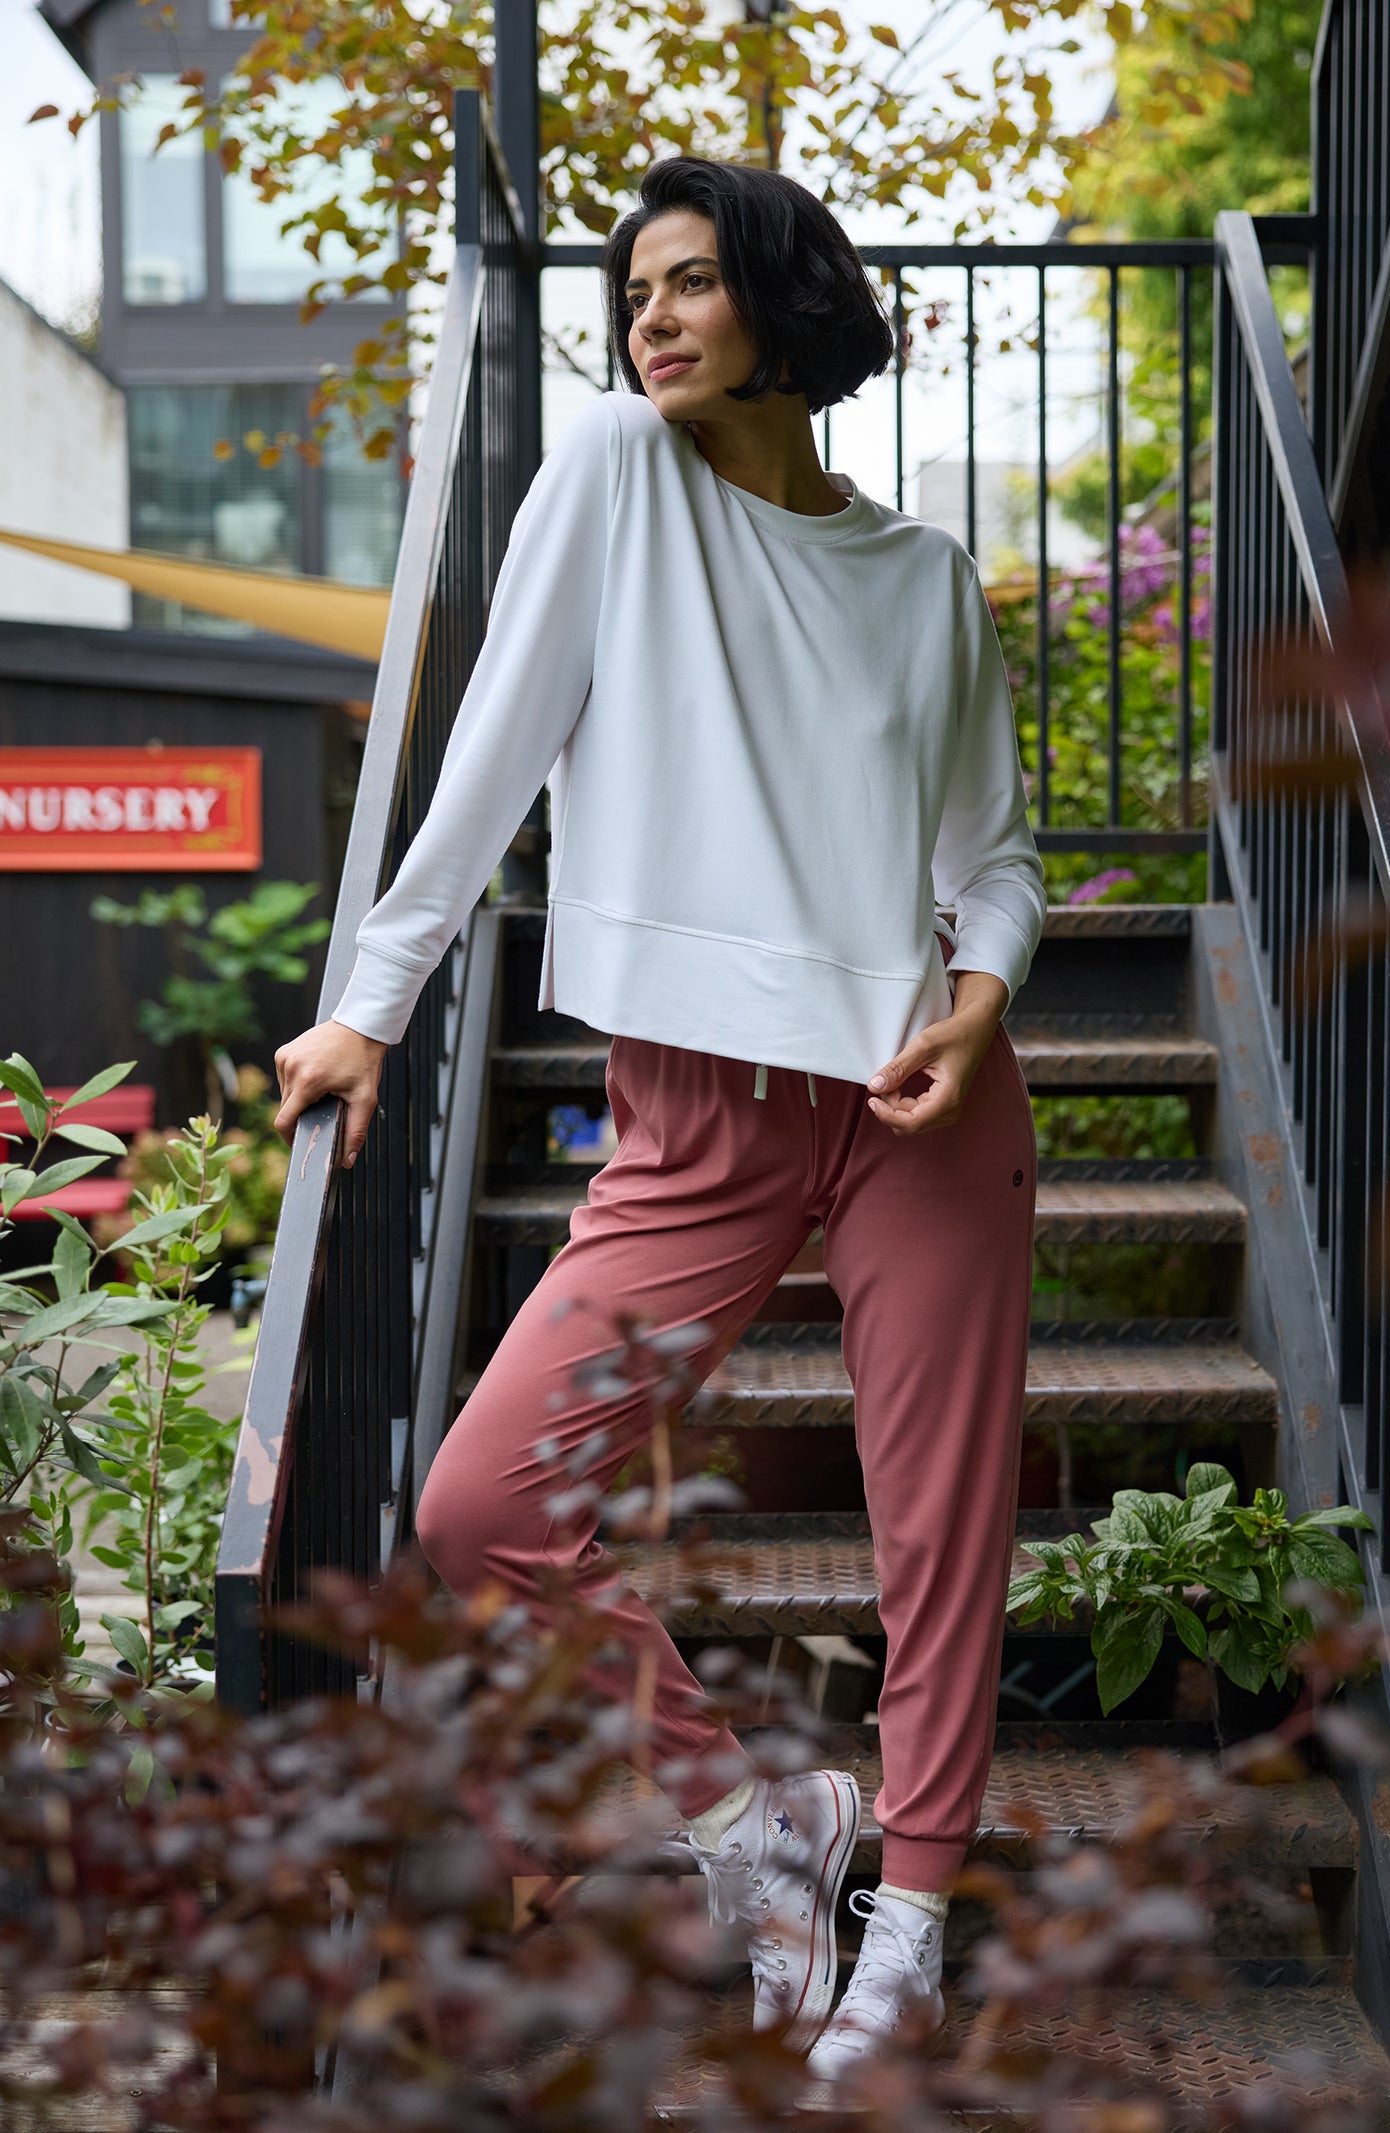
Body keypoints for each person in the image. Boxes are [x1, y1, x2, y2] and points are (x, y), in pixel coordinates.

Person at [272, 154, 1045, 2096]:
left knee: (930, 1532)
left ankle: (915, 1919)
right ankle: (750, 1821)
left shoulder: (921, 578)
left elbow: (996, 858)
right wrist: (371, 1004)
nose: (652, 316)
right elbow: (493, 746)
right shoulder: (615, 474)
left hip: (913, 1092)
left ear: (786, 301)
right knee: (480, 1506)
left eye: (694, 281)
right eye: (636, 289)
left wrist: (977, 1002)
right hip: (694, 1103)